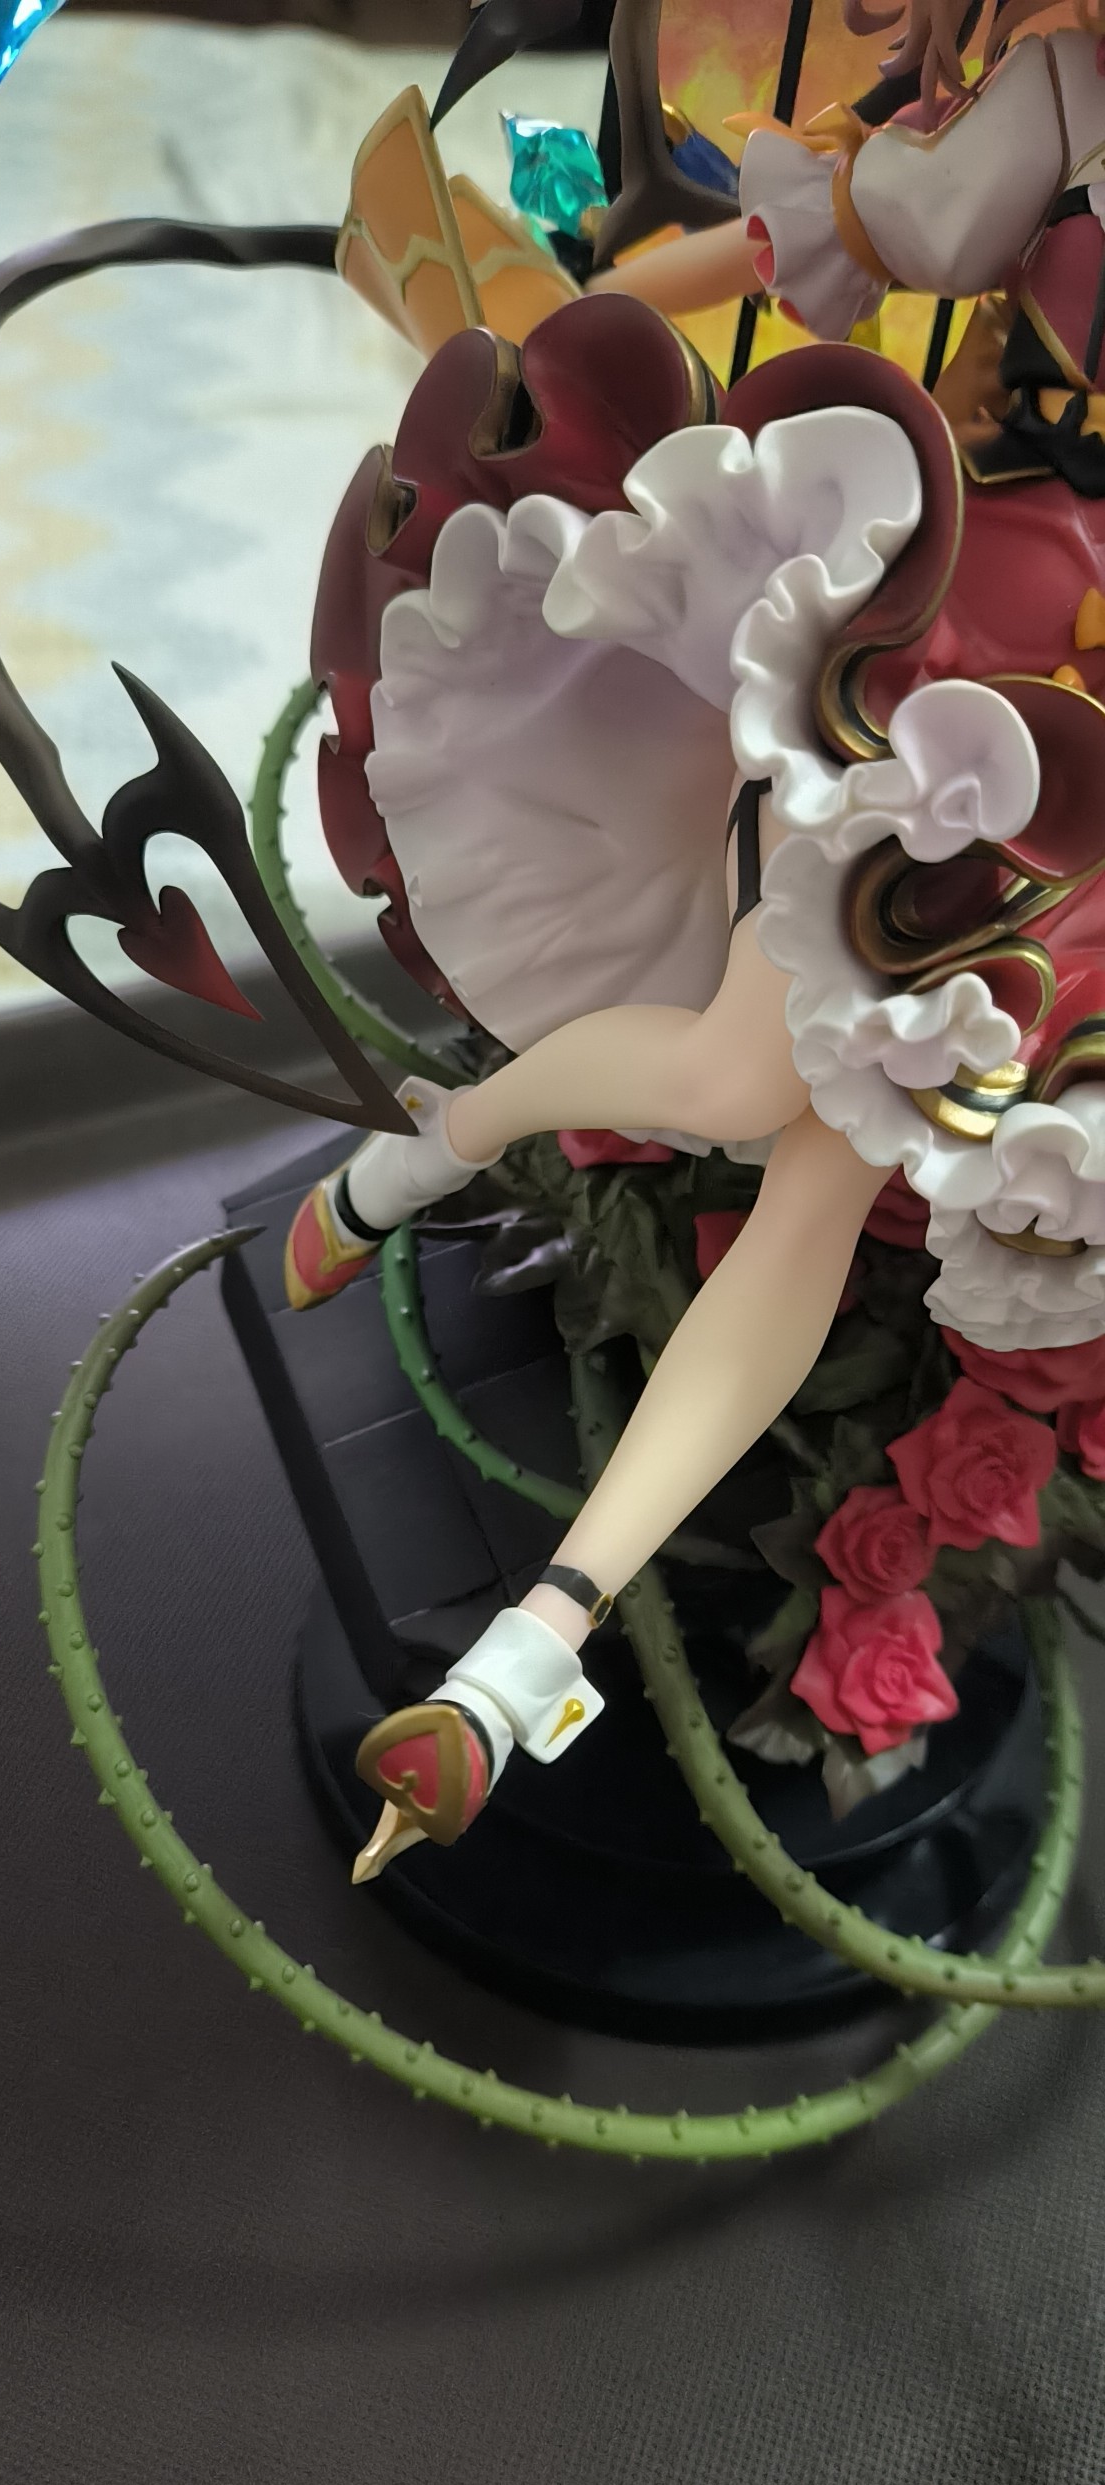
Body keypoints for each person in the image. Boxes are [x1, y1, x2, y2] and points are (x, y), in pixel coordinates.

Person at [287, 0, 1105, 1880]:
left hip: (1077, 740)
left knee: (820, 1186)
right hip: (963, 654)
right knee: (745, 1078)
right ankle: (439, 1142)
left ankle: (526, 1650)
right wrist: (577, 336)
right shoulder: (1062, 81)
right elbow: (851, 233)